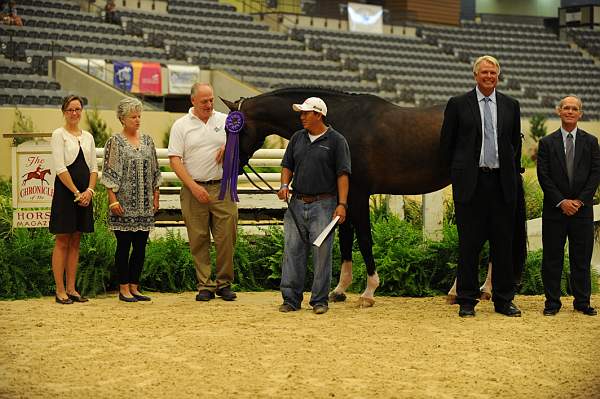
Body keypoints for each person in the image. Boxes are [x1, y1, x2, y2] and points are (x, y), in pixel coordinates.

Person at [440, 55, 522, 317]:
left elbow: (514, 145)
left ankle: (503, 300)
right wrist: (460, 172)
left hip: (501, 184)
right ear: (475, 75)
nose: (489, 77)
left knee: (503, 244)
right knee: (469, 245)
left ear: (498, 76)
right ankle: (466, 300)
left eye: (493, 73)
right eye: (484, 72)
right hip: (471, 185)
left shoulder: (511, 105)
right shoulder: (458, 104)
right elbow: (446, 144)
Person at [277, 97, 351, 315]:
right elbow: (287, 165)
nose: (302, 117)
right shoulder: (297, 139)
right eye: (301, 113)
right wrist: (284, 185)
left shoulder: (337, 141)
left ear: (318, 115)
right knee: (292, 251)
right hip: (297, 202)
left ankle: (319, 300)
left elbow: (343, 174)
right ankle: (290, 299)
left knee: (322, 254)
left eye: (306, 113)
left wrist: (342, 204)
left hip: (324, 204)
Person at [168, 83, 238, 302]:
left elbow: (241, 143)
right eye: (204, 101)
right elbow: (174, 160)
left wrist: (229, 147)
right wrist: (193, 186)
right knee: (198, 238)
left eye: (211, 100)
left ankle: (224, 283)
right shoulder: (181, 126)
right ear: (193, 101)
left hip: (222, 186)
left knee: (227, 236)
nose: (209, 105)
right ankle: (205, 285)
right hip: (193, 188)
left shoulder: (226, 120)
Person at [537, 96, 600, 316]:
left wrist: (580, 201)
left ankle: (582, 302)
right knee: (552, 258)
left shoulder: (591, 142)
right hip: (555, 211)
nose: (570, 111)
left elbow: (595, 174)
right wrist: (562, 201)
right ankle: (552, 303)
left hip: (582, 211)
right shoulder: (546, 142)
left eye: (575, 109)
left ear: (580, 114)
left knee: (581, 259)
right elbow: (543, 176)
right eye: (566, 108)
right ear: (559, 111)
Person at [101, 98, 161, 302]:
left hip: (144, 206)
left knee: (141, 247)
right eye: (133, 116)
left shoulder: (148, 141)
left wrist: (156, 196)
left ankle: (135, 287)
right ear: (122, 119)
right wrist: (112, 200)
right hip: (123, 205)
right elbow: (109, 172)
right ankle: (123, 288)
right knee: (123, 247)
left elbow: (155, 170)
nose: (137, 120)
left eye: (139, 116)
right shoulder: (114, 142)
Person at [49, 95, 97, 304]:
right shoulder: (58, 135)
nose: (74, 113)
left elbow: (94, 168)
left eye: (78, 109)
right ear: (64, 112)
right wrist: (77, 193)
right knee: (62, 240)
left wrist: (89, 192)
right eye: (70, 110)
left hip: (85, 195)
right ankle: (59, 290)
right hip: (66, 194)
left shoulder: (88, 136)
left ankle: (72, 288)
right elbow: (60, 168)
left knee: (76, 240)